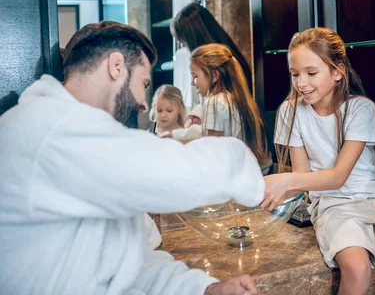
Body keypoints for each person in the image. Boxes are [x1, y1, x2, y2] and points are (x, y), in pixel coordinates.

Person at [0, 21, 263, 295]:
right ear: (116, 66)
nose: (144, 103)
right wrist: (245, 168)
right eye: (143, 83)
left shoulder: (85, 147)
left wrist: (205, 289)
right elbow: (172, 172)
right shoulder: (46, 125)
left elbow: (130, 261)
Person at [261, 28, 375, 295]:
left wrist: (284, 179)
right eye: (295, 74)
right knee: (358, 269)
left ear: (337, 72)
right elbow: (303, 176)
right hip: (334, 206)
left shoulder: (361, 109)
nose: (301, 83)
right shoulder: (289, 111)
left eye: (311, 73)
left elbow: (338, 176)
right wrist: (267, 195)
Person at [189, 43, 272, 175]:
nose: (192, 83)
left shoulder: (214, 102)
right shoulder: (242, 100)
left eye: (195, 76)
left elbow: (214, 154)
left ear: (215, 76)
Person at [171, 2, 253, 109]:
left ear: (195, 37)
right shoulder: (229, 56)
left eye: (184, 40)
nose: (183, 45)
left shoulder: (219, 65)